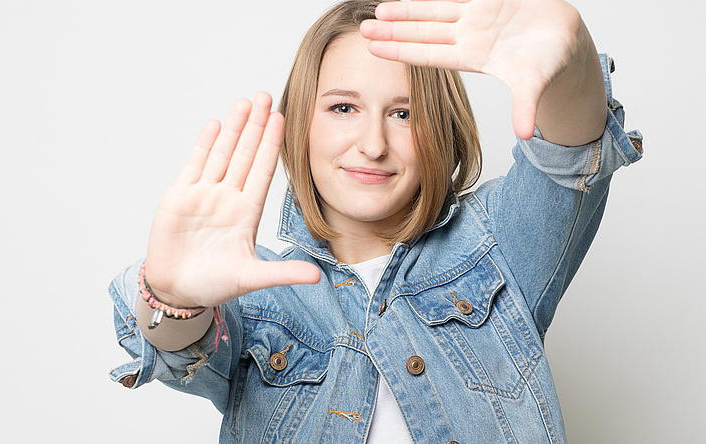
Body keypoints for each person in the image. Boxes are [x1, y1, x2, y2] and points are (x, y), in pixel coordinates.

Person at [108, 0, 642, 442]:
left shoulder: (494, 244)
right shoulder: (255, 296)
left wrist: (569, 62)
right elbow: (175, 348)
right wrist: (172, 300)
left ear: (441, 125)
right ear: (303, 124)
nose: (372, 144)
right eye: (343, 108)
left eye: (403, 113)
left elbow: (569, 159)